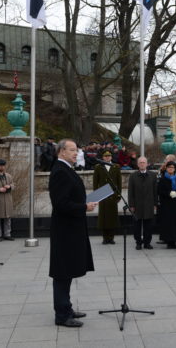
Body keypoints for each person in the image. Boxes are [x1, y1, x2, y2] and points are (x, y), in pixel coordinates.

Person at [49, 139, 97, 327]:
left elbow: (70, 197)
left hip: (71, 228)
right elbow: (60, 204)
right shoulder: (60, 172)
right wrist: (84, 206)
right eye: (72, 150)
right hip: (64, 230)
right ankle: (61, 315)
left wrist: (85, 202)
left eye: (77, 150)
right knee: (62, 272)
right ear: (61, 152)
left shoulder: (67, 169)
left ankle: (66, 307)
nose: (76, 153)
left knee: (67, 270)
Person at [128, 156, 157, 250]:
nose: (142, 164)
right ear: (137, 164)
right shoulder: (133, 176)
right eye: (140, 162)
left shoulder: (152, 175)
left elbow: (155, 191)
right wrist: (131, 205)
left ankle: (147, 242)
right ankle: (138, 243)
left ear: (147, 164)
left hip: (149, 204)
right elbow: (130, 192)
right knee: (137, 226)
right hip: (137, 205)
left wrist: (155, 204)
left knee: (148, 225)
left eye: (144, 162)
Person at [93, 150, 121, 244]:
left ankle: (111, 237)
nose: (107, 158)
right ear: (103, 158)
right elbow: (95, 183)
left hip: (112, 195)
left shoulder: (116, 167)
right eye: (105, 156)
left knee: (112, 217)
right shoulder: (98, 167)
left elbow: (119, 182)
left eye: (109, 156)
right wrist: (96, 196)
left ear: (111, 157)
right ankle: (105, 238)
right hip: (102, 194)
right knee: (103, 218)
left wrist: (118, 195)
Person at [157, 161, 176, 249]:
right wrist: (169, 193)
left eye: (172, 168)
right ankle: (168, 241)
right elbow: (159, 191)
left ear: (174, 169)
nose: (171, 169)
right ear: (166, 168)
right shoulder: (162, 178)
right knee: (167, 223)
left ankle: (174, 241)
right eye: (169, 167)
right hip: (166, 204)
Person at [0, 159, 15, 241]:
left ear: (5, 166)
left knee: (8, 218)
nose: (1, 167)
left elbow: (13, 184)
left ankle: (7, 234)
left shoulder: (9, 176)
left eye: (3, 165)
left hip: (8, 200)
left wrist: (10, 187)